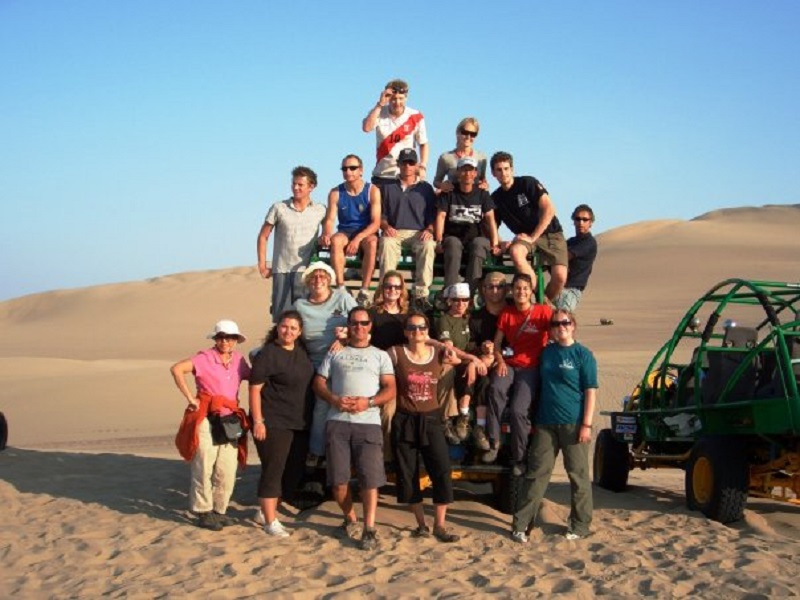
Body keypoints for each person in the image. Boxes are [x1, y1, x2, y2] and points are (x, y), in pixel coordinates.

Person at [312, 307, 396, 551]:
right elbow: (318, 382)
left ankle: (369, 528)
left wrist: (367, 402)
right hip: (337, 421)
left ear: (370, 326)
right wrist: (334, 399)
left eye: (364, 323)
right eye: (354, 323)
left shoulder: (380, 355)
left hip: (368, 422)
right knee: (338, 481)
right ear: (348, 325)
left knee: (370, 479)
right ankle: (350, 518)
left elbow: (390, 389)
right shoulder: (336, 352)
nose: (359, 327)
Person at [511, 309, 598, 543]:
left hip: (573, 423)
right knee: (536, 474)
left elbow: (590, 391)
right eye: (555, 324)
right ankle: (521, 524)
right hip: (545, 423)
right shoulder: (547, 352)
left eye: (565, 322)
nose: (561, 326)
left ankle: (579, 525)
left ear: (573, 325)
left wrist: (587, 425)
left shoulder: (583, 355)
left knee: (578, 476)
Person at [172, 320, 251, 531]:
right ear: (216, 339)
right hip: (207, 417)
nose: (226, 341)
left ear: (236, 340)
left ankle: (219, 511)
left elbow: (254, 378)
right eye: (222, 337)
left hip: (230, 419)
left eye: (231, 337)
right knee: (204, 464)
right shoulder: (204, 358)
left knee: (227, 468)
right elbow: (177, 369)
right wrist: (190, 398)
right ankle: (203, 511)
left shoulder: (239, 361)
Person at [389, 312, 461, 543]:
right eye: (411, 328)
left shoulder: (438, 353)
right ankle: (421, 524)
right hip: (405, 418)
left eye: (421, 327)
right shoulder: (396, 353)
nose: (416, 332)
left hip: (431, 419)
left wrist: (441, 345)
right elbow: (375, 363)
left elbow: (459, 359)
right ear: (405, 331)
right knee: (408, 473)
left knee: (441, 470)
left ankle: (440, 524)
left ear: (427, 330)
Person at [249, 311, 315, 538]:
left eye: (294, 328)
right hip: (273, 421)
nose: (288, 331)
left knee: (293, 472)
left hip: (300, 422)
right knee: (273, 470)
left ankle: (264, 510)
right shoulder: (267, 354)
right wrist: (258, 421)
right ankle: (270, 521)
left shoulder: (302, 352)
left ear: (300, 332)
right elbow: (255, 389)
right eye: (284, 327)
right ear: (277, 328)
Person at [484, 273, 553, 474]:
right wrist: (500, 360)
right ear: (512, 291)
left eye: (525, 288)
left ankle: (519, 458)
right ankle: (493, 441)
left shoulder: (543, 312)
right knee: (496, 389)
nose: (521, 292)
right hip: (509, 364)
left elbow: (557, 331)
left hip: (531, 368)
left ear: (531, 290)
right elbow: (497, 343)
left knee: (518, 410)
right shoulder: (507, 313)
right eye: (517, 288)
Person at [293, 262, 357, 465]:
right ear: (308, 281)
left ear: (329, 279)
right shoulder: (300, 306)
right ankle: (313, 451)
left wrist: (346, 336)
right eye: (313, 276)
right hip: (310, 360)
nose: (318, 280)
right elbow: (289, 330)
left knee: (325, 404)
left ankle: (320, 452)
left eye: (322, 276)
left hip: (342, 357)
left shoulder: (342, 298)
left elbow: (361, 321)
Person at [490, 151, 568, 302]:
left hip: (550, 233)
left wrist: (533, 237)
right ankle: (542, 303)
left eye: (506, 168)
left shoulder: (527, 183)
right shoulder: (496, 198)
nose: (503, 173)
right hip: (524, 238)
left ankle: (543, 304)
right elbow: (491, 225)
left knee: (560, 276)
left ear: (512, 169)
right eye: (499, 170)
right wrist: (501, 242)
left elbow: (549, 209)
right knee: (516, 252)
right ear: (493, 173)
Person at [257, 166, 327, 322]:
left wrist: (325, 236)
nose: (296, 188)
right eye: (294, 184)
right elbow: (263, 236)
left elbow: (327, 230)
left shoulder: (320, 209)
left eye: (300, 185)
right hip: (282, 269)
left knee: (306, 318)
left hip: (307, 272)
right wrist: (262, 265)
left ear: (311, 186)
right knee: (281, 318)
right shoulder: (279, 208)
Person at [378, 148, 437, 309]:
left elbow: (433, 215)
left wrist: (430, 230)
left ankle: (421, 295)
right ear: (398, 164)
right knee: (386, 243)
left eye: (411, 162)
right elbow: (380, 215)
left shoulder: (425, 188)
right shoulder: (388, 187)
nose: (407, 166)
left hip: (418, 232)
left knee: (428, 245)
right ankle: (386, 292)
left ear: (416, 165)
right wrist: (386, 226)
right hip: (395, 231)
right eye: (404, 162)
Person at [320, 154, 381, 307]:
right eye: (345, 168)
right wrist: (326, 232)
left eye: (352, 168)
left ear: (361, 170)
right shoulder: (336, 192)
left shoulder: (372, 190)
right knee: (335, 240)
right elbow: (330, 219)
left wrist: (358, 238)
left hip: (366, 232)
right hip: (345, 231)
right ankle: (341, 287)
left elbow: (376, 222)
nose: (348, 171)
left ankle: (364, 291)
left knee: (372, 243)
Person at [434, 157, 501, 292]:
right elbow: (440, 217)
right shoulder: (449, 193)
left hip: (475, 238)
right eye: (464, 170)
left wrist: (494, 244)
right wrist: (439, 240)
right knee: (453, 244)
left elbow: (490, 219)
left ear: (475, 173)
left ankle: (468, 295)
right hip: (453, 237)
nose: (467, 174)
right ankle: (451, 293)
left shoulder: (482, 194)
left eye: (471, 170)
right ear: (458, 172)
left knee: (479, 244)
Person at [467, 272, 512, 451]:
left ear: (506, 289)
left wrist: (499, 356)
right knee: (483, 378)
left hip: (509, 363)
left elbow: (521, 345)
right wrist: (481, 350)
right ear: (483, 290)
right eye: (490, 287)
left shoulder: (513, 313)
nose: (495, 291)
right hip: (482, 364)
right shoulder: (476, 318)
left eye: (499, 286)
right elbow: (468, 344)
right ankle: (479, 427)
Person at [362, 79, 429, 189]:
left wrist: (423, 165)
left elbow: (424, 143)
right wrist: (380, 104)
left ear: (406, 97)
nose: (397, 102)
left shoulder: (415, 116)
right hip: (382, 175)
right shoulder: (379, 112)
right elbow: (366, 128)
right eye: (393, 99)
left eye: (400, 99)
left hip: (406, 175)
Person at [556, 204, 598, 312]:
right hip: (557, 287)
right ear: (573, 221)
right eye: (578, 219)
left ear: (591, 223)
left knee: (563, 323)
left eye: (585, 219)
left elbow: (564, 256)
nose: (581, 223)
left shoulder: (589, 242)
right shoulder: (571, 241)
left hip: (571, 291)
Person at [433, 117, 488, 193]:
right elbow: (436, 182)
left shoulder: (481, 158)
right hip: (453, 200)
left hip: (474, 201)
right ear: (457, 133)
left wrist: (485, 184)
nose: (468, 137)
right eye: (465, 132)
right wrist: (442, 185)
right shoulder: (446, 158)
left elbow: (483, 180)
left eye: (473, 134)